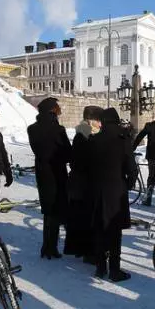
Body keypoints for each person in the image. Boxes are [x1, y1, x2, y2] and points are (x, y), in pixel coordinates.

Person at [89, 107, 138, 282]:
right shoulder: (123, 139)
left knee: (100, 228)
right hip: (117, 189)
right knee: (115, 231)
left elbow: (89, 167)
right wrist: (128, 184)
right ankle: (114, 270)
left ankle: (100, 267)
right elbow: (132, 168)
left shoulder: (94, 139)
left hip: (98, 189)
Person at [27, 97, 71, 259]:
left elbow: (37, 151)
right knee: (59, 209)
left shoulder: (32, 129)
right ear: (53, 111)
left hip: (42, 174)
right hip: (57, 173)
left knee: (48, 210)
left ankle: (47, 247)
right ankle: (54, 247)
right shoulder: (58, 130)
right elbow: (67, 153)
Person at [64, 105, 103, 263]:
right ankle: (88, 252)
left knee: (81, 218)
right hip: (83, 185)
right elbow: (81, 162)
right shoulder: (86, 136)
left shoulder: (83, 134)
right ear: (91, 120)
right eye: (99, 121)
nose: (101, 124)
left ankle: (82, 249)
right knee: (87, 219)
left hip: (79, 184)